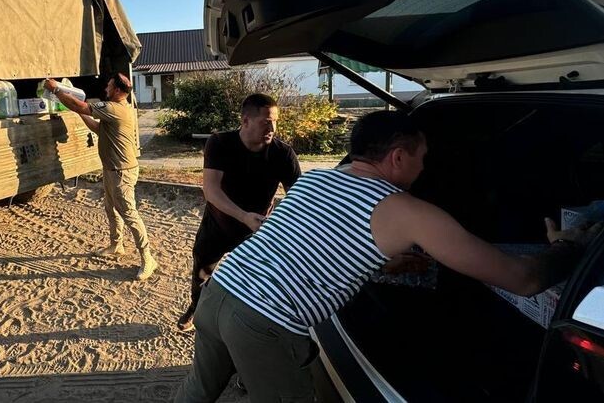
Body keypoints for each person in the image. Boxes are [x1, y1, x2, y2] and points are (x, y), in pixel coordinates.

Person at [175, 110, 602, 402]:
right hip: (264, 323)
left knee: (198, 390)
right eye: (422, 158)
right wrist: (571, 245)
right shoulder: (404, 209)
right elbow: (522, 280)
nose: (424, 169)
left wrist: (386, 263)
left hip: (220, 293)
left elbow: (317, 240)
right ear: (398, 156)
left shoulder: (317, 180)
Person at [177, 93, 301, 333]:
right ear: (245, 121)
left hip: (259, 231)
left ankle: (245, 325)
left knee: (255, 282)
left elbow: (298, 198)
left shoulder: (283, 154)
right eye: (266, 121)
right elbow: (211, 190)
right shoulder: (220, 143)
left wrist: (276, 223)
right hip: (219, 224)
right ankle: (196, 309)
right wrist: (244, 216)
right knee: (202, 271)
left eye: (275, 121)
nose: (272, 128)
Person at [43, 73, 158, 281]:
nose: (106, 87)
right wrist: (80, 113)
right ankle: (116, 245)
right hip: (112, 169)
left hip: (121, 171)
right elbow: (97, 127)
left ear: (117, 90)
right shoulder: (116, 110)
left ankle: (147, 258)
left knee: (129, 214)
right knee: (110, 208)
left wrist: (57, 90)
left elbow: (82, 106)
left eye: (109, 84)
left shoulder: (114, 108)